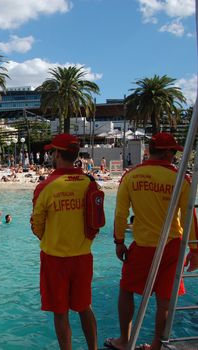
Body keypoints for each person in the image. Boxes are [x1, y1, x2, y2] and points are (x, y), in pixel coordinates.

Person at [105, 133, 198, 350]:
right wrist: (194, 249)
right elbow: (189, 216)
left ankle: (125, 340)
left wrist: (119, 241)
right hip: (172, 245)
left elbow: (120, 213)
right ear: (166, 152)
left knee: (126, 290)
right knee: (164, 299)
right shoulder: (180, 178)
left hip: (143, 245)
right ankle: (157, 345)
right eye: (173, 152)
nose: (175, 156)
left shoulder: (131, 176)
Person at [31, 134, 98, 350]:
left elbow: (36, 225)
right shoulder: (90, 183)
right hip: (83, 256)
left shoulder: (46, 186)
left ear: (58, 154)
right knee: (85, 307)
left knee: (61, 313)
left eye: (52, 152)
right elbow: (96, 221)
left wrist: (52, 237)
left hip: (54, 258)